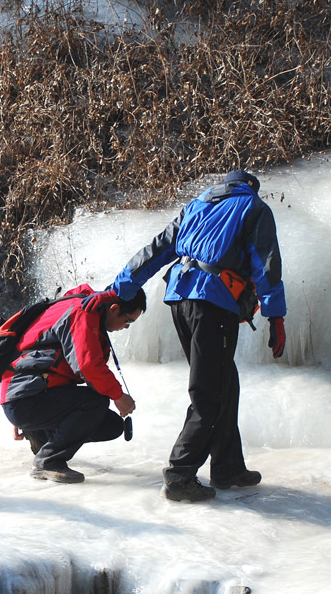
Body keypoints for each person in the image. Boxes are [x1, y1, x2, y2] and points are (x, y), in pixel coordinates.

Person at [110, 170, 286, 502]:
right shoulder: (253, 207)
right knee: (210, 392)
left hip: (180, 299)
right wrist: (276, 316)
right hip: (213, 303)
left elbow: (158, 250)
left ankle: (228, 467)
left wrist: (120, 289)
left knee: (224, 381)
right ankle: (180, 476)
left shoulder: (197, 206)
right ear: (250, 187)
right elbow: (265, 264)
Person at [1, 284, 146, 483]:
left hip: (26, 395)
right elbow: (88, 366)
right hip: (26, 396)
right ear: (114, 309)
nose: (127, 326)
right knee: (95, 402)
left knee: (111, 425)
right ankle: (48, 461)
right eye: (128, 320)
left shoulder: (81, 310)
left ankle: (40, 436)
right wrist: (118, 396)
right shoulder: (82, 311)